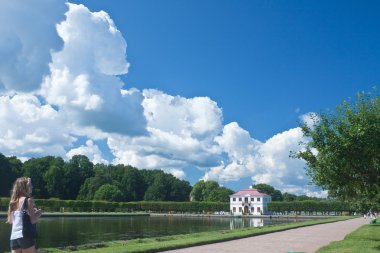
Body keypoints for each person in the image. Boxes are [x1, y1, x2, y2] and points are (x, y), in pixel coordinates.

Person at [7, 177, 42, 253]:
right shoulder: (28, 200)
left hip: (14, 237)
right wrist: (38, 213)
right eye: (29, 185)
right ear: (24, 187)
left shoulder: (12, 202)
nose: (32, 187)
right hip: (25, 236)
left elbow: (10, 221)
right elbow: (33, 221)